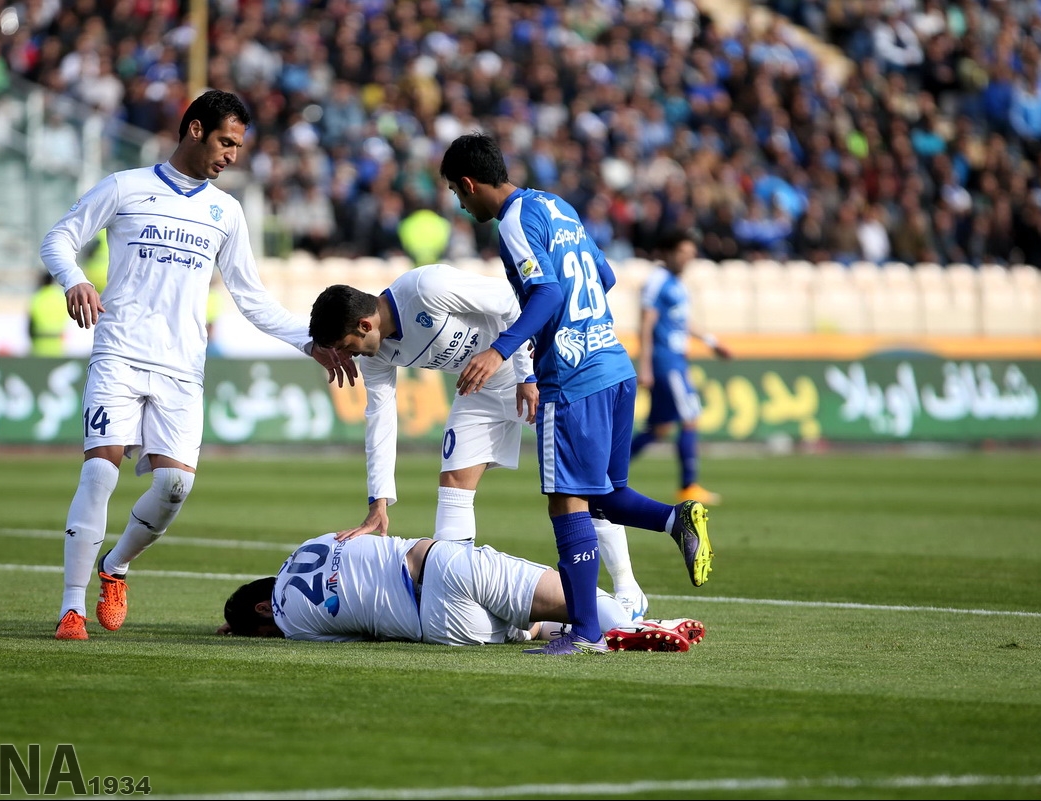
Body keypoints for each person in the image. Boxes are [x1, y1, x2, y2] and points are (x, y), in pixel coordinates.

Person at [39, 89, 356, 641]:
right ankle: (72, 609)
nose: (232, 155)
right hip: (119, 352)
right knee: (99, 471)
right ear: (194, 129)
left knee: (173, 488)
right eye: (226, 142)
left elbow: (251, 297)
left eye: (238, 146)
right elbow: (58, 239)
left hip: (183, 368)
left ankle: (115, 567)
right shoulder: (125, 187)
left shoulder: (225, 212)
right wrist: (76, 279)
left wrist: (311, 342)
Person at [438, 132, 714, 656]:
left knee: (567, 501)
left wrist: (501, 351)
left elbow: (547, 291)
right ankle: (676, 518)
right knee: (604, 496)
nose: (459, 202)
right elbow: (602, 275)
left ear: (470, 183)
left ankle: (586, 631)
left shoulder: (514, 221)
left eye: (457, 191)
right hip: (614, 365)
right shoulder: (556, 205)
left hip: (572, 378)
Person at [307, 267, 648, 621]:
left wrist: (525, 374)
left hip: (536, 366)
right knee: (454, 481)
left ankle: (628, 591)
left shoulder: (425, 288)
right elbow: (380, 418)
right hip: (480, 389)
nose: (352, 356)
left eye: (348, 347)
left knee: (583, 484)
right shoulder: (377, 356)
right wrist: (378, 501)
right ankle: (453, 596)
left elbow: (512, 305)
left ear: (364, 325)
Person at [218, 531, 706, 653]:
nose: (271, 633)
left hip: (443, 629)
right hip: (437, 563)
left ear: (265, 605)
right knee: (567, 594)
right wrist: (244, 621)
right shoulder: (311, 545)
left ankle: (595, 636)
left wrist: (242, 627)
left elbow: (360, 635)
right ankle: (638, 623)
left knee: (532, 627)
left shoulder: (295, 625)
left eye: (261, 630)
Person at [629, 229, 732, 506]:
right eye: (683, 253)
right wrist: (646, 365)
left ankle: (606, 471)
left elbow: (680, 322)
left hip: (675, 360)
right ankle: (688, 485)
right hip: (667, 363)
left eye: (691, 254)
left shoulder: (675, 283)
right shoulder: (658, 281)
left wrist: (711, 341)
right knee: (690, 417)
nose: (688, 259)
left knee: (659, 428)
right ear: (668, 253)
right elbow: (647, 324)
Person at [28, 270, 70, 357]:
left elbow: (31, 321)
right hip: (57, 342)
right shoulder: (60, 297)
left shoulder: (37, 297)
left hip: (39, 342)